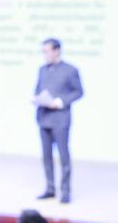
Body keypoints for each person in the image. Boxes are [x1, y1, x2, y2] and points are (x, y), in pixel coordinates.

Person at [33, 38, 83, 204]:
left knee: (63, 156)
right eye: (43, 51)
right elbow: (38, 89)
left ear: (57, 51)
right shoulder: (42, 70)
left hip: (60, 119)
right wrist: (37, 99)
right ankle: (50, 188)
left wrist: (60, 101)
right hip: (44, 117)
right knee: (46, 156)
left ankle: (65, 191)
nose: (45, 55)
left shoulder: (70, 70)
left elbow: (78, 92)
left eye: (47, 51)